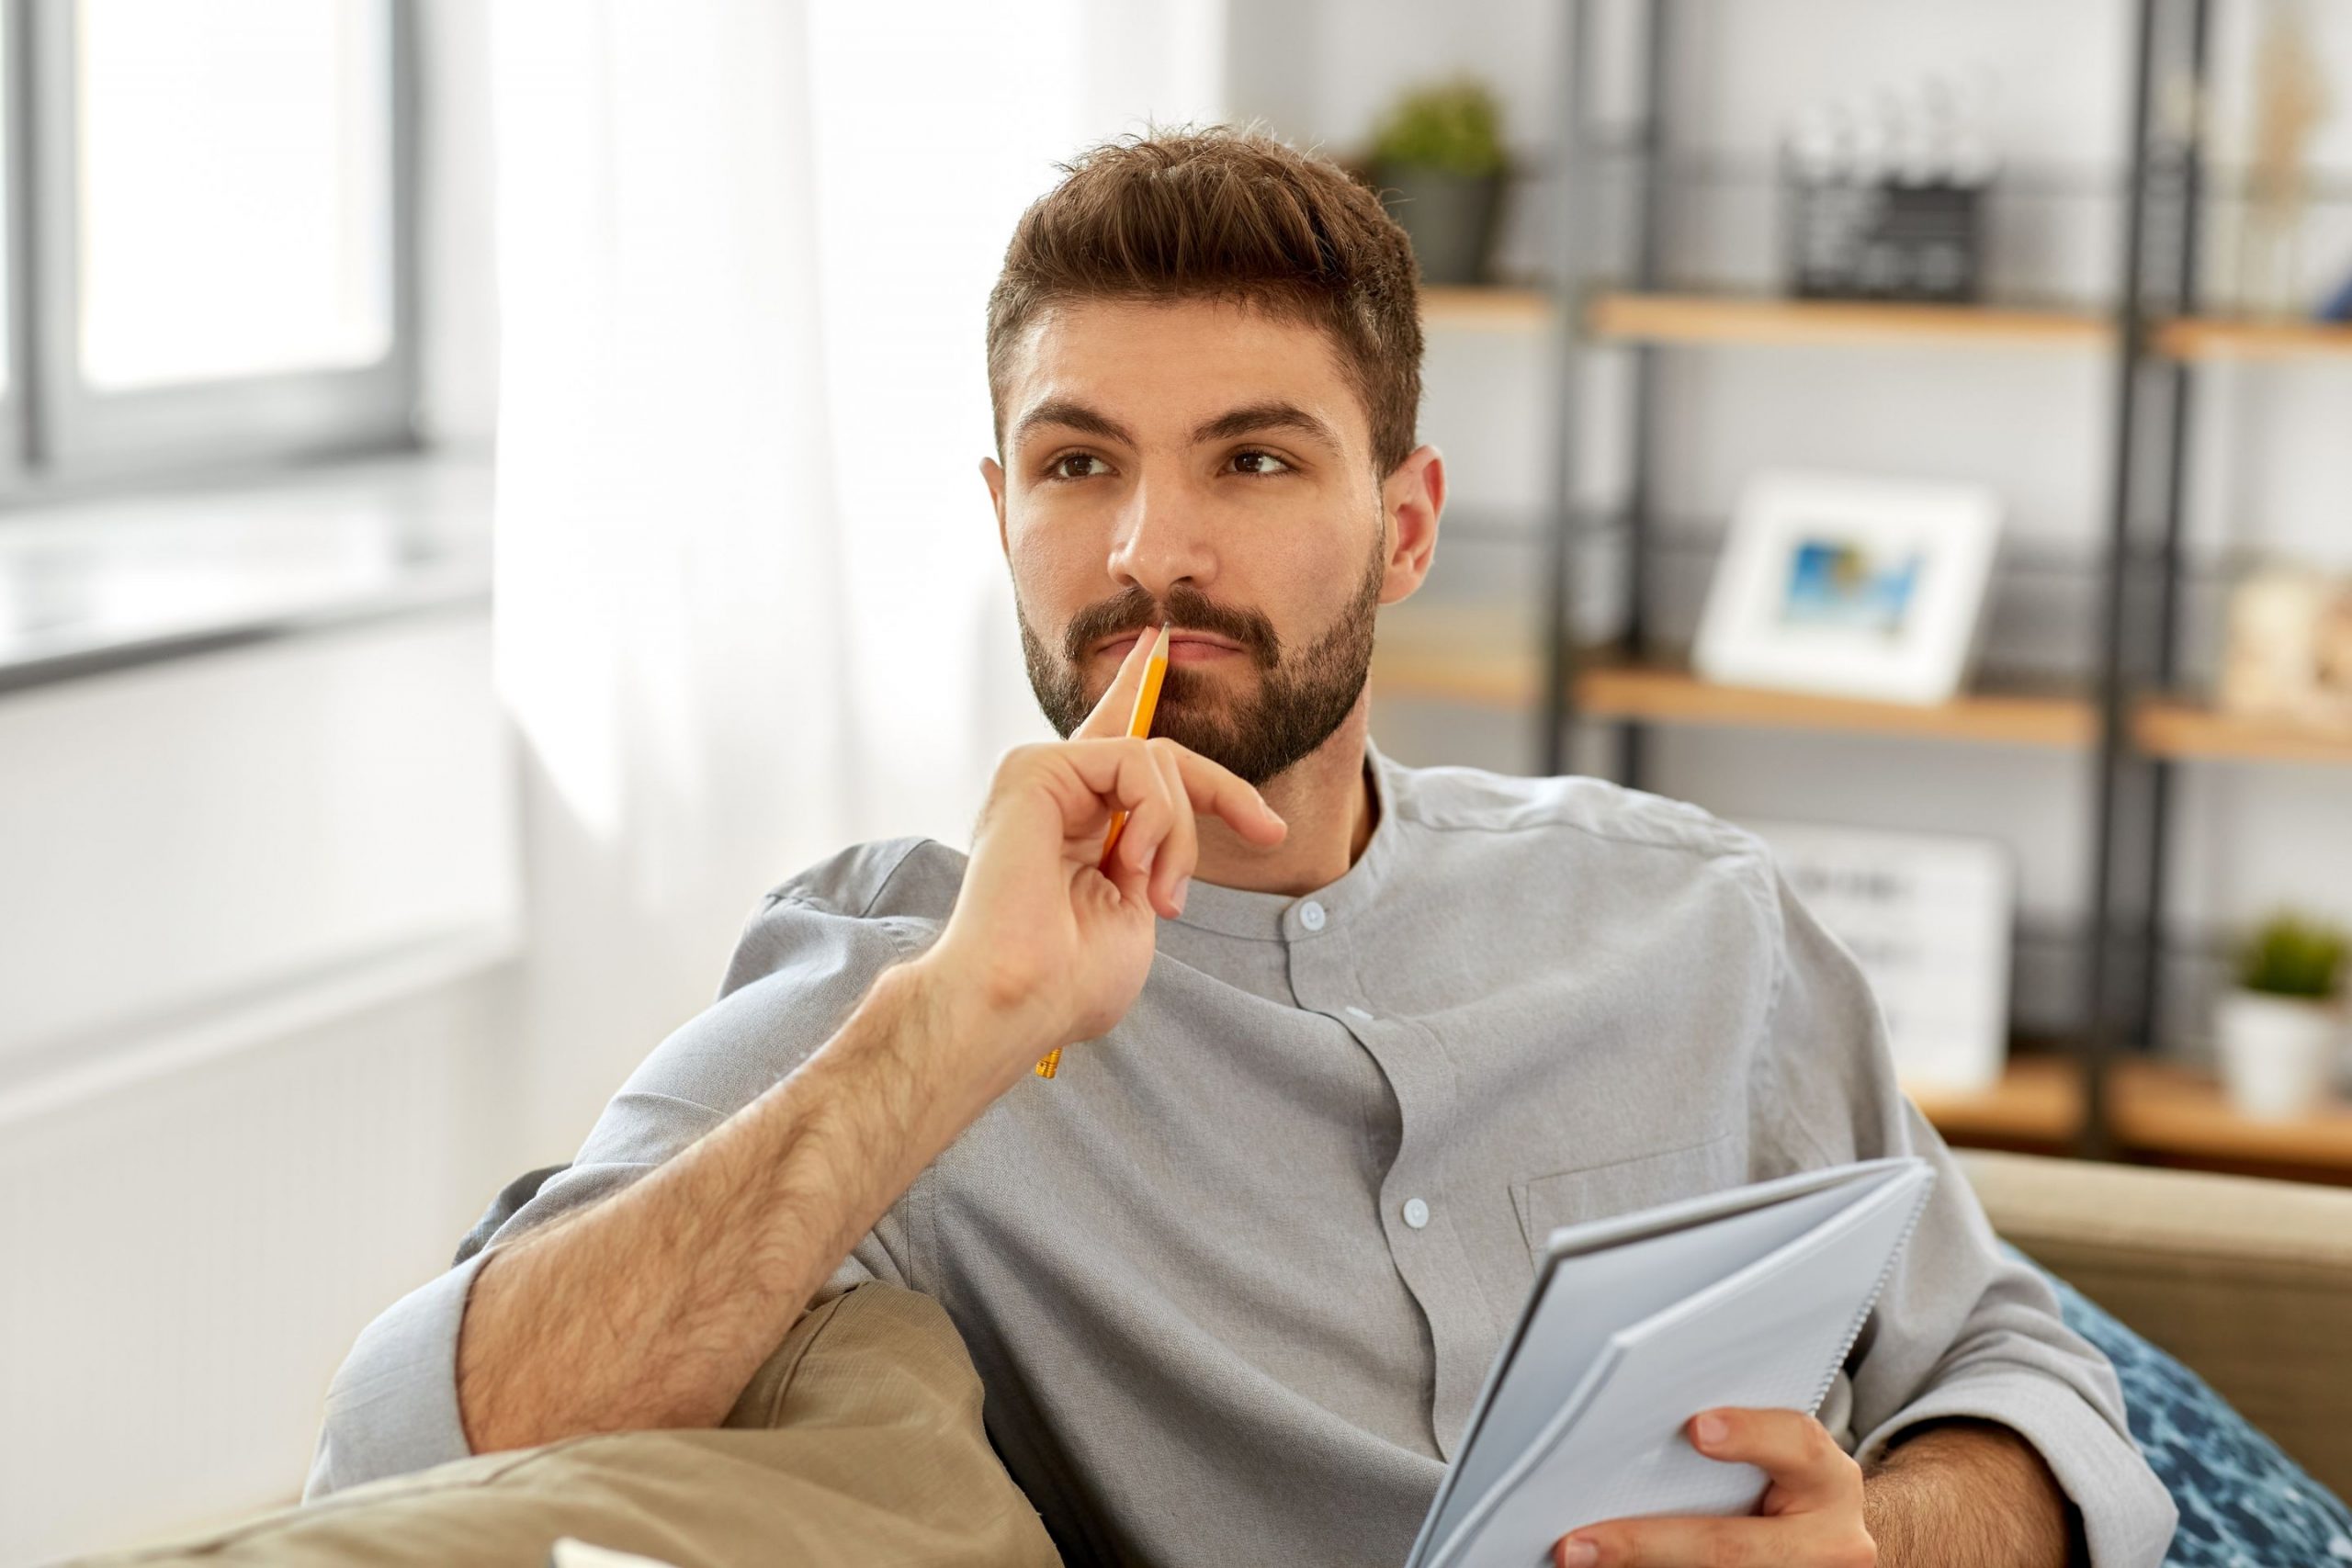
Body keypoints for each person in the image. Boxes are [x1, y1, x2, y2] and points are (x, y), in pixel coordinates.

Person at [307, 126, 2176, 1568]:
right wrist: (950, 1021)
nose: (1148, 551)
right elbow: (405, 1443)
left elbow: (2019, 1374)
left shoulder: (1693, 915)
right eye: (1075, 463)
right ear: (1003, 513)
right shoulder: (899, 974)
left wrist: (1880, 1532)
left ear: (1405, 523)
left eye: (1255, 461)